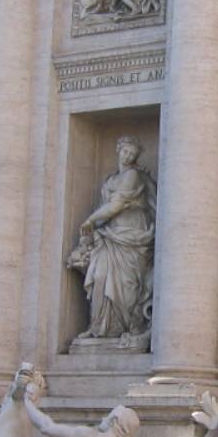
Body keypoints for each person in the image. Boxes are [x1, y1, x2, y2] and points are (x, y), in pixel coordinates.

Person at [68, 136, 157, 346]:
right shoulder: (110, 179)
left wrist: (91, 219)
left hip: (132, 233)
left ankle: (123, 327)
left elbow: (116, 205)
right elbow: (107, 207)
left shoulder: (133, 176)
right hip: (110, 234)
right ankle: (99, 326)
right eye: (125, 151)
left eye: (132, 154)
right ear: (119, 150)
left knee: (127, 285)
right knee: (100, 276)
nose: (128, 156)